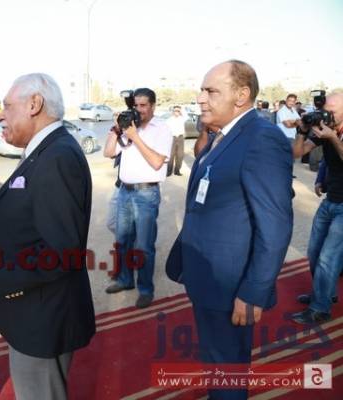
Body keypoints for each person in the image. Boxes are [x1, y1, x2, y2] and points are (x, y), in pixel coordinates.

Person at [0, 73, 95, 400]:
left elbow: (59, 252)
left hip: (44, 318)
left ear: (34, 104)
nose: (0, 115)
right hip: (34, 311)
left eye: (7, 106)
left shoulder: (57, 157)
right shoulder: (45, 151)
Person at [166, 60, 293, 400]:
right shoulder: (221, 135)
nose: (200, 98)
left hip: (231, 287)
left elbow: (275, 226)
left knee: (227, 370)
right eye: (201, 90)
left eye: (211, 91)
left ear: (241, 95)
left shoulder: (261, 139)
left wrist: (253, 292)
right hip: (208, 280)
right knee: (217, 363)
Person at [103, 88, 173, 309]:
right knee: (122, 241)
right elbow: (108, 152)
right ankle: (125, 280)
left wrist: (135, 137)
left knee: (143, 245)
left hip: (146, 194)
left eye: (143, 105)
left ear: (153, 106)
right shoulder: (128, 126)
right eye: (136, 106)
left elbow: (156, 162)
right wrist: (116, 130)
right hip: (124, 191)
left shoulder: (162, 128)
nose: (139, 110)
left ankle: (145, 289)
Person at [291, 92, 343, 324]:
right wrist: (302, 131)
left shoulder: (331, 133)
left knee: (328, 257)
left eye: (332, 110)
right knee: (313, 253)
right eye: (325, 110)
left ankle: (320, 308)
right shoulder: (326, 129)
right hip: (331, 200)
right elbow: (297, 153)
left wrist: (333, 138)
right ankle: (326, 294)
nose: (326, 114)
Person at [166, 105, 187, 176]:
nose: (177, 112)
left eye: (178, 111)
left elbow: (186, 115)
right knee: (171, 155)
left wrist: (181, 109)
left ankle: (177, 171)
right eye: (175, 111)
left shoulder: (182, 119)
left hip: (180, 138)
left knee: (180, 155)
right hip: (172, 138)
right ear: (173, 111)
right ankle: (169, 171)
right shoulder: (169, 120)